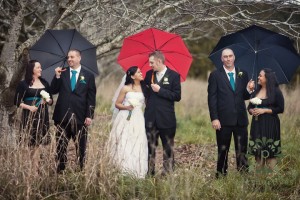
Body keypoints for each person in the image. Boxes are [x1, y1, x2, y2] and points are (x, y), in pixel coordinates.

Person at [207, 48, 255, 178]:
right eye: (225, 57)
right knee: (223, 150)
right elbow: (212, 99)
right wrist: (214, 118)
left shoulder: (243, 73)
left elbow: (243, 96)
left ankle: (243, 175)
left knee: (242, 150)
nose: (228, 59)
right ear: (222, 59)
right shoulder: (215, 75)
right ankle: (221, 176)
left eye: (230, 56)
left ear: (234, 57)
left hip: (240, 119)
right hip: (223, 120)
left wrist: (249, 90)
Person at [50, 49, 96, 173]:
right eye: (68, 57)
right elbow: (53, 90)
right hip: (62, 116)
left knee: (81, 147)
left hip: (80, 117)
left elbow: (91, 97)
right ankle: (60, 171)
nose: (69, 59)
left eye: (72, 57)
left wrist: (89, 115)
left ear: (79, 58)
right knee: (61, 146)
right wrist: (57, 76)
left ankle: (81, 171)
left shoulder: (88, 75)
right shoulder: (62, 73)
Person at [144, 51, 181, 176]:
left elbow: (177, 96)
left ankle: (168, 172)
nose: (150, 65)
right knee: (150, 147)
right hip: (150, 118)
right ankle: (150, 172)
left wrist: (160, 90)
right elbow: (145, 93)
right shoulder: (149, 75)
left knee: (168, 147)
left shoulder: (174, 76)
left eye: (152, 62)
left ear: (159, 61)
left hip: (166, 119)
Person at [107, 66, 148, 178]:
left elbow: (147, 104)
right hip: (125, 117)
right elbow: (117, 104)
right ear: (132, 75)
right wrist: (127, 107)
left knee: (138, 141)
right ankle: (123, 168)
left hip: (138, 118)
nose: (141, 73)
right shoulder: (125, 88)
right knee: (124, 140)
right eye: (139, 72)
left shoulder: (145, 87)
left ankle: (137, 170)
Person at [248, 68, 284, 171]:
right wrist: (252, 111)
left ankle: (272, 179)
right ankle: (259, 180)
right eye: (258, 75)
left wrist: (265, 111)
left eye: (260, 76)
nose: (258, 77)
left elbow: (280, 108)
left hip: (270, 125)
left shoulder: (276, 91)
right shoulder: (256, 91)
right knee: (258, 154)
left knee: (270, 154)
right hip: (257, 125)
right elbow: (249, 107)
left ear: (267, 78)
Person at [14, 59, 53, 146]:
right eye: (38, 67)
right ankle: (27, 159)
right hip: (28, 115)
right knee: (28, 142)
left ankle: (35, 160)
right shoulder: (23, 84)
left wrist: (47, 100)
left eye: (41, 67)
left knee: (40, 142)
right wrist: (29, 107)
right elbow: (16, 101)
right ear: (32, 69)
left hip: (42, 116)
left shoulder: (45, 83)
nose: (41, 69)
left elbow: (51, 101)